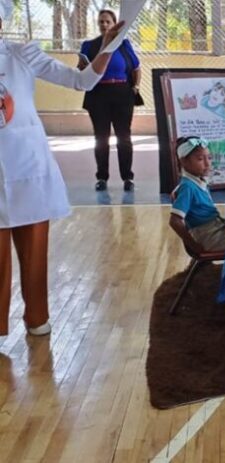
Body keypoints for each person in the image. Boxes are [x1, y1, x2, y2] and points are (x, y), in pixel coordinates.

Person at [0, 1, 123, 336]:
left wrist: (108, 46)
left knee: (34, 249)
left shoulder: (21, 55)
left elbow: (82, 81)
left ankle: (37, 318)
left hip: (28, 166)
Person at [78, 9, 141, 192]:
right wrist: (82, 66)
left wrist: (135, 87)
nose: (104, 25)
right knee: (101, 138)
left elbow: (136, 68)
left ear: (115, 24)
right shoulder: (89, 46)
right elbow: (82, 71)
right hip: (99, 95)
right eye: (101, 22)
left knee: (124, 137)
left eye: (108, 22)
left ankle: (127, 178)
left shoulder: (123, 44)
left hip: (122, 94)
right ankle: (102, 178)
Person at [169, 137, 225, 253]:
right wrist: (194, 245)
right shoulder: (188, 187)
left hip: (215, 229)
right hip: (208, 236)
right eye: (200, 159)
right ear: (183, 161)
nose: (207, 163)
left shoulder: (196, 181)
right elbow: (174, 221)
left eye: (209, 158)